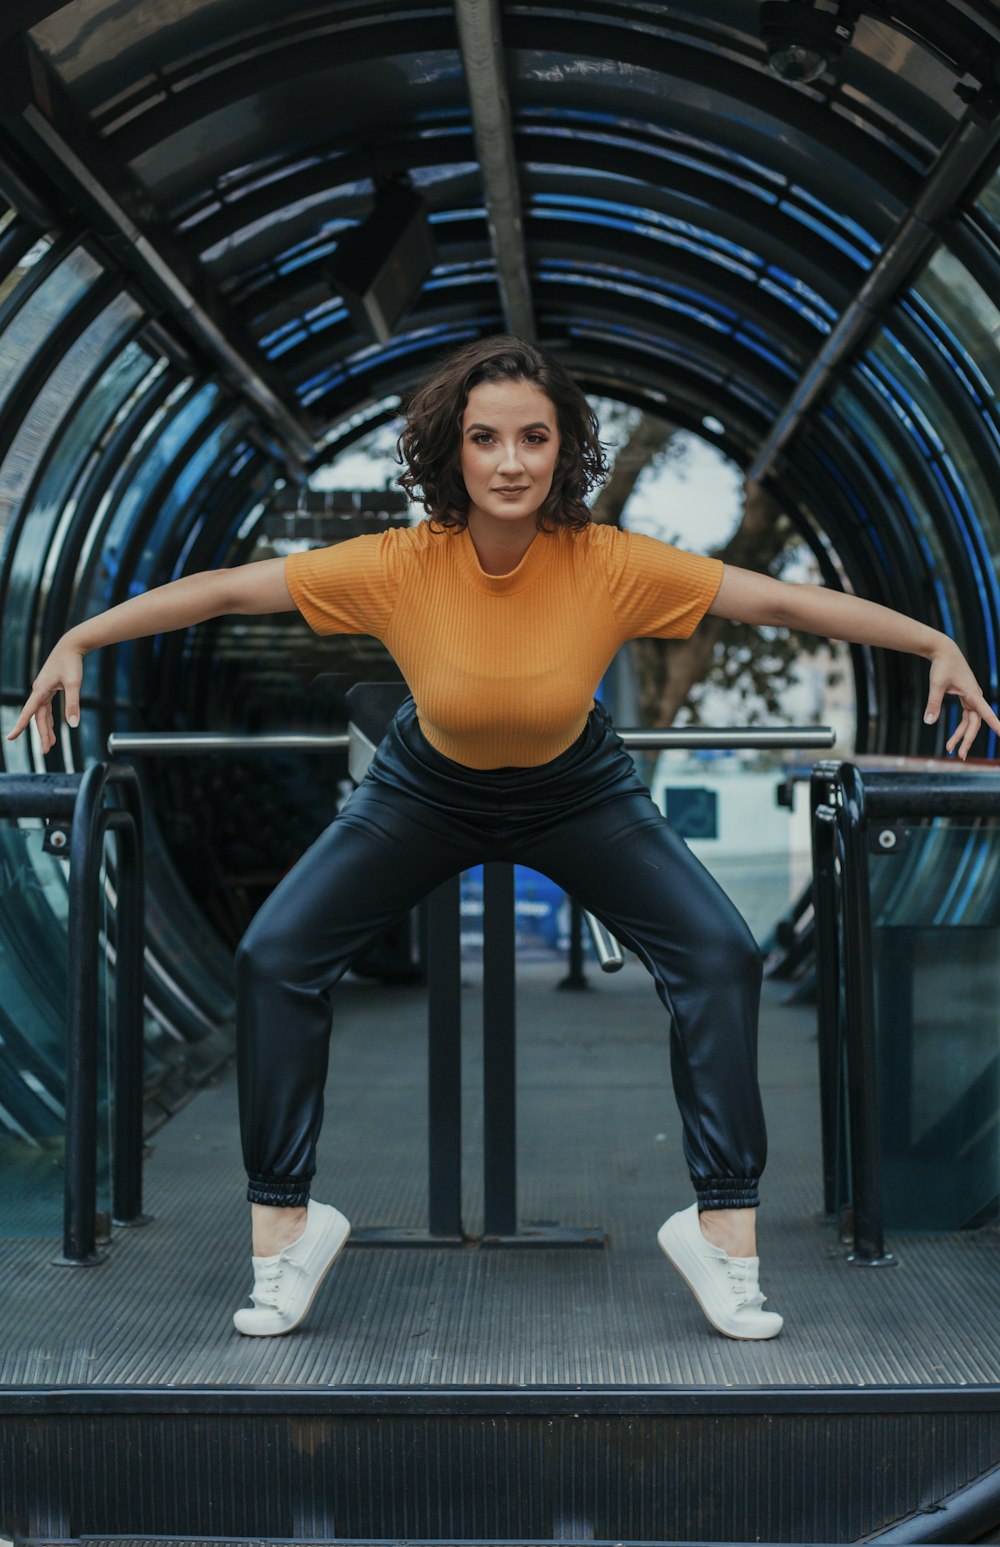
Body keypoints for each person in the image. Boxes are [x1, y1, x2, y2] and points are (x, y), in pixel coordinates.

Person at [9, 335, 999, 1343]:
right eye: (486, 438)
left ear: (564, 448)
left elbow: (780, 599)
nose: (511, 460)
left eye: (534, 436)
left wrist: (932, 641)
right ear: (453, 452)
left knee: (720, 954)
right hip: (422, 789)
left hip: (579, 791)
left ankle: (722, 1233)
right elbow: (225, 588)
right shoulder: (397, 563)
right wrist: (80, 637)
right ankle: (286, 1231)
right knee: (274, 955)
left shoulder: (609, 562)